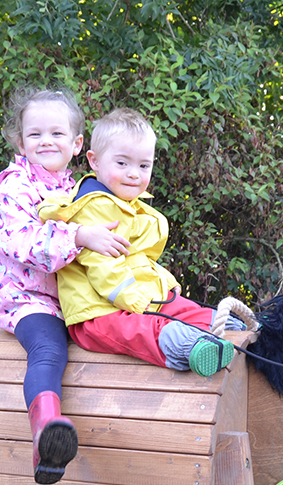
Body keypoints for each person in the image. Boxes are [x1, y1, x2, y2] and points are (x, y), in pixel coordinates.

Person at [0, 88, 131, 485]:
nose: (46, 141)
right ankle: (45, 432)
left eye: (56, 134)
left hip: (77, 300)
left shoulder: (79, 189)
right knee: (48, 349)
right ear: (20, 141)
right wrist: (81, 235)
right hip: (30, 300)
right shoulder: (13, 188)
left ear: (77, 143)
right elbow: (23, 244)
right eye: (35, 135)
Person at [39, 108, 238, 377]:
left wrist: (164, 289)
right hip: (97, 314)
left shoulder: (130, 205)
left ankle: (227, 326)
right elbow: (104, 269)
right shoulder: (94, 208)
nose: (134, 174)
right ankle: (186, 347)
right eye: (122, 164)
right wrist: (143, 302)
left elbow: (139, 261)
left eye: (144, 166)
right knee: (141, 330)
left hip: (132, 298)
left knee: (185, 308)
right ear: (94, 161)